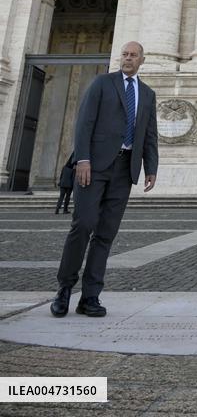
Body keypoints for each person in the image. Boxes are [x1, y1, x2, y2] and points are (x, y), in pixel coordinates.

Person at [50, 42, 158, 319]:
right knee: (83, 225)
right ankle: (64, 289)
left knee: (106, 234)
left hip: (125, 169)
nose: (128, 59)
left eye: (133, 55)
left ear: (142, 60)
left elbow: (149, 135)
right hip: (94, 166)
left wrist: (151, 168)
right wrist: (82, 159)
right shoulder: (103, 83)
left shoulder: (147, 94)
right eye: (125, 54)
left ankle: (90, 296)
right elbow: (84, 122)